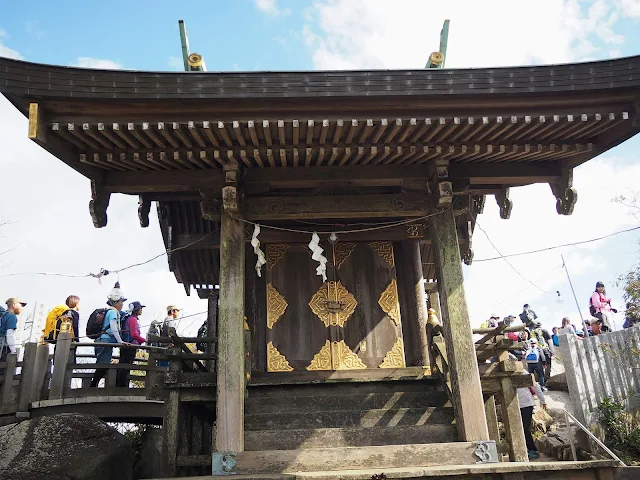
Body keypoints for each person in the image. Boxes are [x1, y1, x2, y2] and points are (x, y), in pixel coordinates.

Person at [90, 283, 128, 387]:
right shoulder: (113, 312)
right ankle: (93, 386)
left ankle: (94, 384)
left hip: (100, 339)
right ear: (116, 303)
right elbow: (113, 326)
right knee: (103, 365)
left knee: (102, 364)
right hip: (105, 340)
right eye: (121, 302)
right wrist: (120, 341)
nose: (122, 304)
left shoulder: (108, 311)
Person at [116, 301, 146, 387]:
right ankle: (121, 387)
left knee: (122, 365)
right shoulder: (133, 319)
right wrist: (144, 340)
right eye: (140, 308)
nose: (141, 310)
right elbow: (134, 334)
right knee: (126, 367)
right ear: (135, 310)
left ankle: (119, 386)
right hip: (131, 346)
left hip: (125, 345)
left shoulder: (127, 318)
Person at [517, 379, 547, 460]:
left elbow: (535, 385)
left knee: (524, 428)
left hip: (526, 404)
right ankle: (523, 450)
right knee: (518, 429)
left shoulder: (522, 372)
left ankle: (532, 450)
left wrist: (542, 400)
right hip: (514, 405)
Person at [0, 298, 26, 375]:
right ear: (14, 305)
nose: (22, 308)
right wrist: (13, 351)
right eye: (20, 305)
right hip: (3, 348)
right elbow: (9, 334)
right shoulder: (11, 317)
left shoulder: (3, 316)